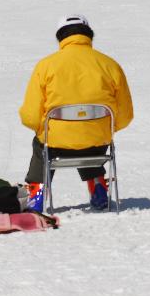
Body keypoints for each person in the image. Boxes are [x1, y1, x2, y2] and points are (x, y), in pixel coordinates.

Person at [20, 15, 133, 211]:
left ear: (60, 37)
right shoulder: (109, 64)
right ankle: (98, 186)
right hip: (96, 140)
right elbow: (125, 113)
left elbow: (30, 115)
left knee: (41, 147)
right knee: (88, 138)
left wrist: (41, 129)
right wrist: (107, 129)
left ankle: (36, 198)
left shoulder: (46, 66)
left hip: (55, 142)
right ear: (88, 34)